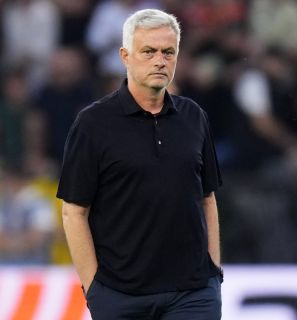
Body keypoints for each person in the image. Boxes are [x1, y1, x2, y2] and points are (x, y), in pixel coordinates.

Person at [57, 8, 223, 319]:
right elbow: (74, 211)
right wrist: (94, 289)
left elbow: (208, 198)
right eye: (148, 51)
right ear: (125, 56)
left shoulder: (194, 117)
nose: (160, 60)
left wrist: (214, 271)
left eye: (168, 52)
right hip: (121, 296)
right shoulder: (92, 123)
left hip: (194, 293)